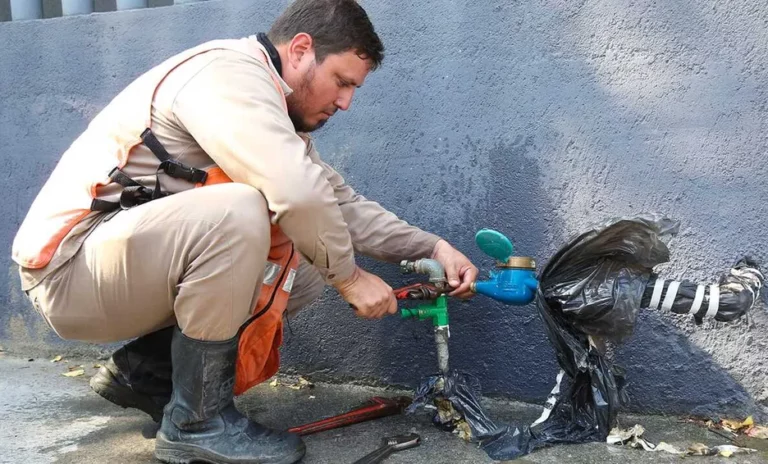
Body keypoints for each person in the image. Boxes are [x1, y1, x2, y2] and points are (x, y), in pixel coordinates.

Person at [11, 0, 478, 463]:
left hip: (117, 268)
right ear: (300, 49)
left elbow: (338, 205)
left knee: (300, 266)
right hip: (69, 271)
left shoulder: (267, 107)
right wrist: (352, 280)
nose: (345, 102)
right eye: (341, 82)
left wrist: (433, 247)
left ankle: (149, 374)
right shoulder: (226, 77)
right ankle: (197, 423)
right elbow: (297, 195)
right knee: (241, 210)